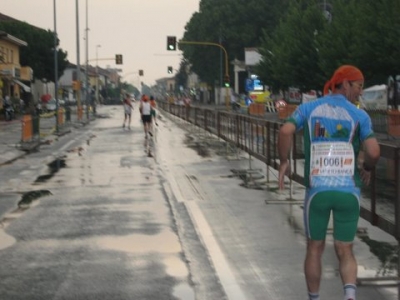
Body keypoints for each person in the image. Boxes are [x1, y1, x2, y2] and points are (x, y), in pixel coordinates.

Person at [277, 65, 380, 300]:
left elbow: (285, 132)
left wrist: (284, 162)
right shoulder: (359, 115)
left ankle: (314, 297)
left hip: (318, 192)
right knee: (345, 249)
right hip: (348, 192)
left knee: (315, 247)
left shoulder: (309, 108)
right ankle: (350, 296)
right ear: (344, 84)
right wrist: (367, 167)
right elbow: (374, 151)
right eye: (358, 86)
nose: (360, 92)